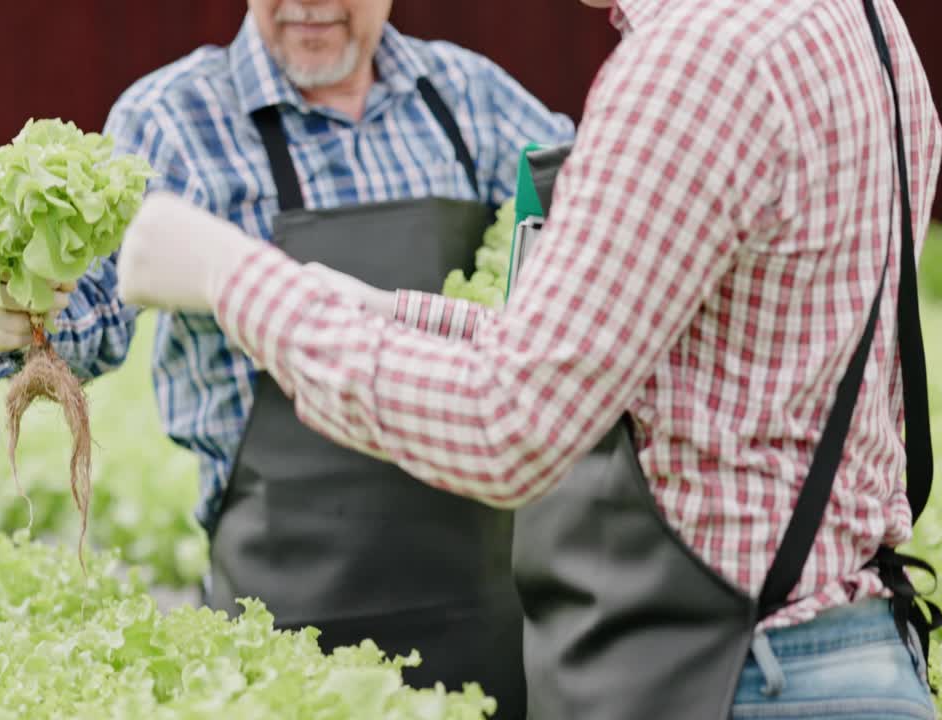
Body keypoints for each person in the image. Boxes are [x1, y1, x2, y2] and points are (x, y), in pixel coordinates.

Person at [114, 0, 942, 718]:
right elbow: (612, 350)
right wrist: (383, 311)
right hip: (856, 649)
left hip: (732, 675)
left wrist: (235, 278)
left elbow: (509, 420)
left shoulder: (692, 66)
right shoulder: (862, 22)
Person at [0, 1, 574, 715]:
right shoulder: (177, 119)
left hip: (491, 619)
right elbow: (90, 310)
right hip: (281, 637)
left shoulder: (474, 99)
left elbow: (596, 242)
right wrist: (11, 317)